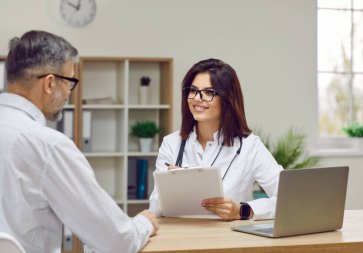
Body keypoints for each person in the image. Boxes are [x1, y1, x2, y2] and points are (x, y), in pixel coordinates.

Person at [0, 30, 158, 253]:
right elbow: (117, 241)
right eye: (70, 82)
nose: (69, 93)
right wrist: (144, 223)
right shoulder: (48, 146)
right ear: (49, 84)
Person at [149, 58, 283, 220]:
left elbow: (287, 198)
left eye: (209, 92)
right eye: (193, 90)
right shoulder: (171, 143)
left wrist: (242, 210)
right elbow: (154, 208)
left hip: (228, 239)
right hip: (181, 237)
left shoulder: (249, 146)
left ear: (228, 99)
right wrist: (175, 187)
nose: (197, 98)